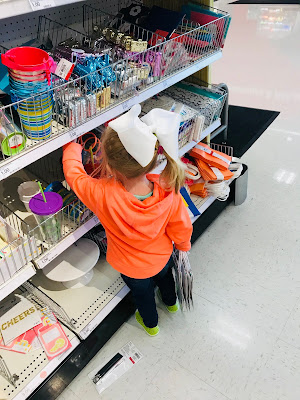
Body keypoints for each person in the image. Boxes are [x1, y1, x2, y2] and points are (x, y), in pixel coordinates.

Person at [62, 104, 193, 336]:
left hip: (131, 267)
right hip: (162, 257)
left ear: (109, 165)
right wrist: (182, 246)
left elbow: (75, 176)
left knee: (143, 296)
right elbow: (181, 226)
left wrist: (71, 148)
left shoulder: (102, 194)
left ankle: (151, 325)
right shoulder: (167, 190)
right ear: (152, 160)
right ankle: (172, 303)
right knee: (166, 280)